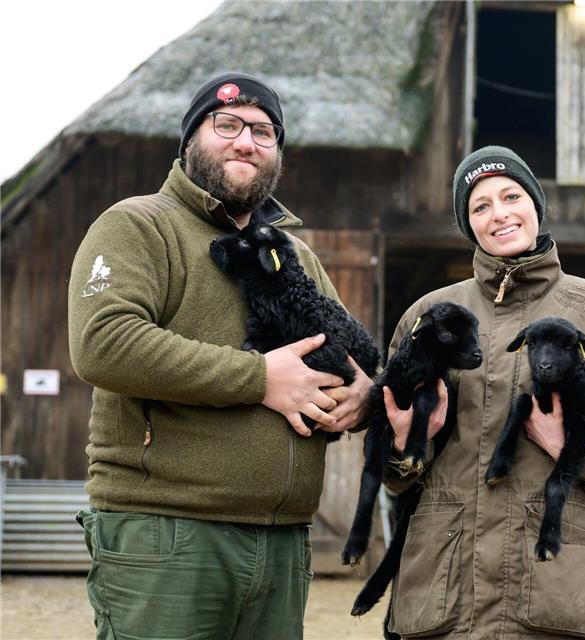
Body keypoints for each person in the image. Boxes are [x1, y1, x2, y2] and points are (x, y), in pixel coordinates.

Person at [68, 72, 373, 640]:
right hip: (168, 532)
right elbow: (103, 343)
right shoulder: (138, 225)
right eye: (226, 125)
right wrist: (259, 378)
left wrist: (361, 394)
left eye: (263, 132)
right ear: (190, 141)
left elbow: (345, 355)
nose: (245, 141)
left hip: (282, 540)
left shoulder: (296, 255)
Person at [380, 146, 585, 639]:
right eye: (480, 206)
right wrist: (403, 442)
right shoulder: (431, 314)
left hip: (555, 595)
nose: (499, 213)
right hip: (441, 599)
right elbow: (394, 472)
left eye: (511, 196)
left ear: (536, 204)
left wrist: (578, 448)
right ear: (469, 224)